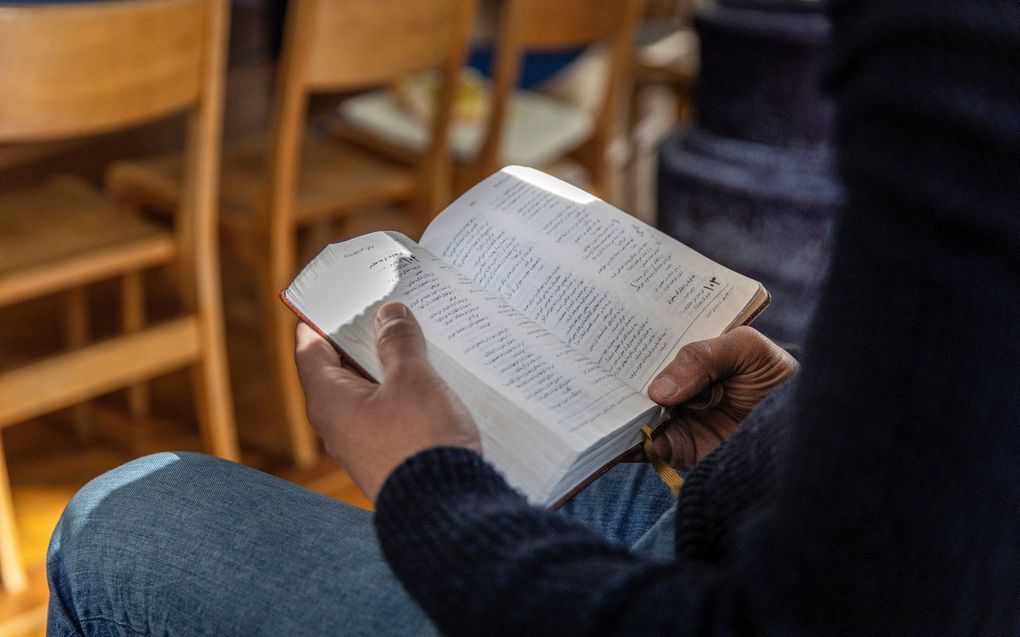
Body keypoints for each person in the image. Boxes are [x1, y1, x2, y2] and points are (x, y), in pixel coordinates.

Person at [46, 0, 1020, 634]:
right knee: (562, 450)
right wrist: (783, 436)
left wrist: (427, 482)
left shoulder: (966, 50)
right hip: (767, 537)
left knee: (117, 518)